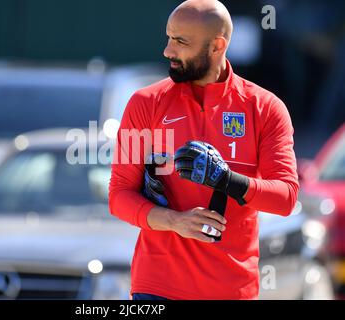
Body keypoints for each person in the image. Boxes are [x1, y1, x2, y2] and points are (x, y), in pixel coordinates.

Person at [108, 0, 299, 300]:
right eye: (169, 37)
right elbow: (119, 196)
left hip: (231, 290)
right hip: (156, 288)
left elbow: (285, 197)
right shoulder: (144, 103)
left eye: (181, 41)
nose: (168, 50)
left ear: (217, 45)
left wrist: (227, 180)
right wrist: (175, 221)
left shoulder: (265, 108)